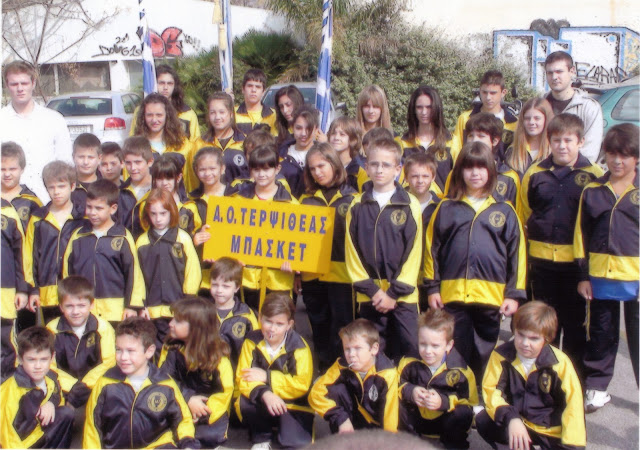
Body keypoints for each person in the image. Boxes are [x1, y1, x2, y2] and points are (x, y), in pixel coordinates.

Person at [425, 141, 526, 380]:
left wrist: (513, 294)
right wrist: (432, 288)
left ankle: (482, 392)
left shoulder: (505, 209)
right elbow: (432, 250)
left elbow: (517, 255)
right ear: (459, 171)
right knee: (455, 349)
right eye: (469, 167)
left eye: (481, 167)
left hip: (490, 296)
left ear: (491, 171)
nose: (475, 173)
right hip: (452, 295)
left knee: (485, 350)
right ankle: (457, 392)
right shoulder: (446, 207)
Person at [518, 113, 603, 379]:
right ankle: (543, 379)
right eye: (556, 140)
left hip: (576, 267)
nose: (562, 146)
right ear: (549, 141)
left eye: (568, 140)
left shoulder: (594, 175)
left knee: (576, 328)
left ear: (580, 141)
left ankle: (573, 382)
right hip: (541, 264)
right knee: (544, 326)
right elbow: (524, 213)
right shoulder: (535, 173)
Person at [574, 123, 640, 411]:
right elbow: (580, 235)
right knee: (601, 332)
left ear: (636, 157)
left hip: (635, 278)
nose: (617, 161)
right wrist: (583, 276)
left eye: (624, 155)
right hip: (600, 276)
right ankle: (597, 387)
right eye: (612, 154)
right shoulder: (593, 190)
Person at [345, 137, 422, 361]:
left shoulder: (410, 204)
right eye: (374, 164)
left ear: (398, 169)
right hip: (370, 296)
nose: (379, 170)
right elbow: (352, 253)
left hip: (403, 297)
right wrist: (373, 291)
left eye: (386, 165)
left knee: (410, 350)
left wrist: (393, 293)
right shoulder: (356, 205)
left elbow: (414, 253)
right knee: (372, 353)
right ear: (366, 167)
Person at [476, 301, 586, 450]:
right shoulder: (501, 355)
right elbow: (491, 391)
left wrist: (572, 445)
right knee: (484, 420)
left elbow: (573, 404)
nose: (525, 343)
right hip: (519, 423)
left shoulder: (560, 363)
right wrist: (511, 418)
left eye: (534, 338)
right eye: (520, 335)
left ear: (546, 338)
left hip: (551, 431)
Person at [84, 317, 199, 449]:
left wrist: (188, 444)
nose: (123, 357)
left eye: (130, 351)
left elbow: (182, 420)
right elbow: (92, 427)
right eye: (118, 349)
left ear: (149, 351)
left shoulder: (165, 384)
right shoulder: (105, 384)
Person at [300, 143, 357, 371]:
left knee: (343, 328)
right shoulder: (305, 200)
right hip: (312, 275)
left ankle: (343, 373)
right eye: (312, 168)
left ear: (334, 164)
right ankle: (324, 373)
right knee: (319, 327)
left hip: (343, 276)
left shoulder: (353, 198)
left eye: (321, 166)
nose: (317, 172)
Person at [235, 292, 314, 449]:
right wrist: (265, 393)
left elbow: (302, 384)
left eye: (279, 324)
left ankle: (284, 427)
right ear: (260, 318)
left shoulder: (299, 347)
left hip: (291, 402)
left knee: (295, 443)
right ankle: (262, 437)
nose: (272, 328)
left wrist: (267, 377)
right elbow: (242, 377)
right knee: (245, 402)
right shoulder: (251, 341)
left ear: (289, 325)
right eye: (268, 321)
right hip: (263, 399)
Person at [63, 179, 145, 324]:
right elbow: (67, 272)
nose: (92, 212)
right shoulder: (78, 236)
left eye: (99, 208)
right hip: (83, 310)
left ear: (113, 209)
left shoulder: (122, 237)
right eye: (89, 207)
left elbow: (134, 273)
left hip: (115, 312)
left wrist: (131, 306)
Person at [158, 297, 234, 449]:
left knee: (210, 436)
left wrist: (201, 413)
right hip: (179, 402)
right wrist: (188, 399)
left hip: (205, 409)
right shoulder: (171, 348)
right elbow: (163, 380)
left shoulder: (218, 358)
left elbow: (224, 394)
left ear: (196, 328)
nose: (170, 324)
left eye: (177, 321)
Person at [398, 309, 477, 449]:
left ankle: (453, 445)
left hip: (444, 423)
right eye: (423, 344)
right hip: (417, 420)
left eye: (435, 346)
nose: (428, 351)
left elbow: (469, 403)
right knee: (395, 402)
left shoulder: (461, 370)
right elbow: (396, 384)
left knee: (463, 413)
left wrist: (444, 402)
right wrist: (411, 391)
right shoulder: (408, 361)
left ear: (449, 345)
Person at [234, 146, 297, 312]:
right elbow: (229, 235)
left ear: (277, 169)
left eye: (267, 169)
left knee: (277, 321)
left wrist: (296, 263)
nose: (261, 174)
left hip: (279, 280)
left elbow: (300, 243)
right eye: (256, 169)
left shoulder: (292, 205)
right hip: (246, 278)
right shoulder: (238, 201)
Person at [136, 188, 201, 350]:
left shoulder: (183, 238)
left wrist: (187, 302)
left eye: (163, 213)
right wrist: (140, 305)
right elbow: (137, 277)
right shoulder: (142, 242)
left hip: (177, 309)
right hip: (151, 311)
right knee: (154, 350)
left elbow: (193, 271)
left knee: (176, 349)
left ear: (172, 212)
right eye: (153, 214)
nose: (158, 219)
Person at [309, 318, 399, 433]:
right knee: (336, 390)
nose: (351, 354)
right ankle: (345, 434)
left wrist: (387, 439)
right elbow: (315, 393)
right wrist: (341, 419)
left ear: (374, 349)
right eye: (347, 349)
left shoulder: (387, 374)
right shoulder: (342, 366)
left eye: (357, 348)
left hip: (379, 427)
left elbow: (390, 415)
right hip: (354, 421)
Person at [25, 161, 87, 324]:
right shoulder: (38, 219)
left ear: (72, 186)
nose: (56, 192)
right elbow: (29, 258)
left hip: (77, 294)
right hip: (47, 294)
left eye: (61, 186)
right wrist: (33, 290)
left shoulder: (83, 218)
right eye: (51, 187)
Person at [0, 61, 71, 201]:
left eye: (24, 83)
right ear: (7, 86)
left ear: (33, 83)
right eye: (14, 84)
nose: (20, 88)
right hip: (8, 204)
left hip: (47, 200)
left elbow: (65, 163)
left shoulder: (54, 119)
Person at [46, 275, 115, 408]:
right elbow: (49, 365)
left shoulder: (103, 328)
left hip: (93, 386)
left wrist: (84, 385)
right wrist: (72, 386)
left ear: (91, 305)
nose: (75, 311)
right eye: (69, 306)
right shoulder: (51, 329)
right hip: (64, 388)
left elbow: (108, 362)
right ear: (61, 307)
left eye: (81, 305)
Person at [0, 326, 75, 449]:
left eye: (44, 359)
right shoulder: (13, 389)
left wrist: (50, 403)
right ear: (20, 359)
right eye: (31, 360)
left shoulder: (50, 377)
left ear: (52, 357)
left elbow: (56, 394)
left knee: (66, 414)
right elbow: (6, 433)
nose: (38, 366)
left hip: (36, 433)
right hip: (18, 443)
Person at [190, 146, 238, 292]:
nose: (207, 173)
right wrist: (195, 238)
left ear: (222, 169)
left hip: (232, 272)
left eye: (212, 168)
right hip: (204, 274)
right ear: (196, 171)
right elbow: (183, 234)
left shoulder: (236, 196)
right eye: (202, 169)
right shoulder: (191, 201)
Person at [399, 86, 462, 195]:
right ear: (413, 110)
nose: (424, 112)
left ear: (437, 108)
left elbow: (460, 177)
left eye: (429, 107)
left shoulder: (452, 141)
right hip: (411, 203)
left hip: (442, 203)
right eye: (419, 107)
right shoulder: (402, 143)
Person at [544, 51, 604, 162]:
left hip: (575, 171)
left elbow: (590, 152)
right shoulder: (539, 106)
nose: (554, 77)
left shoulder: (589, 108)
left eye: (559, 72)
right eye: (550, 73)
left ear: (572, 72)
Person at [132, 93, 194, 192]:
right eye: (149, 115)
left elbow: (190, 182)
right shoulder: (135, 147)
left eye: (159, 115)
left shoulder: (183, 145)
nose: (154, 120)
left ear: (167, 116)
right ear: (143, 117)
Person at [452, 70, 518, 160]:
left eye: (493, 93)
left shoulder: (514, 123)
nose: (488, 97)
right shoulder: (465, 118)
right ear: (479, 91)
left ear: (503, 93)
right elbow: (456, 152)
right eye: (484, 92)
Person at [403, 152, 440, 310]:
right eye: (414, 176)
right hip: (404, 277)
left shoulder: (441, 206)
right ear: (406, 177)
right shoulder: (398, 204)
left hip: (431, 277)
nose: (420, 181)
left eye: (425, 176)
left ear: (433, 177)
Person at [209, 257, 259, 370]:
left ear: (236, 287)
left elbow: (255, 348)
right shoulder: (203, 312)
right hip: (206, 376)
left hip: (237, 374)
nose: (219, 290)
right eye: (215, 285)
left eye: (225, 286)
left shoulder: (246, 315)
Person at [462, 113, 521, 208]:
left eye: (481, 136)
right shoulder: (458, 172)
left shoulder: (509, 177)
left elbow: (515, 213)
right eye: (470, 136)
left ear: (494, 141)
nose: (474, 140)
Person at [1, 193, 30, 379]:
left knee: (5, 343)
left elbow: (21, 253)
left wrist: (22, 289)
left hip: (4, 293)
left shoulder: (7, 211)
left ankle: (4, 386)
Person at [130, 64, 201, 142]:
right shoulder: (141, 111)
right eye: (161, 83)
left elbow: (195, 144)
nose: (165, 87)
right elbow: (133, 140)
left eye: (169, 83)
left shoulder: (188, 113)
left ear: (175, 86)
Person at [193, 92, 247, 185]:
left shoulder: (245, 142)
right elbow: (192, 180)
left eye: (222, 112)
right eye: (212, 113)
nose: (217, 117)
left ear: (231, 114)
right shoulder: (199, 143)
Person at [504, 98, 554, 179]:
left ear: (546, 120)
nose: (531, 122)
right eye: (527, 118)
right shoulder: (512, 151)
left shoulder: (554, 152)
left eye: (537, 118)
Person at [280, 105, 320, 198]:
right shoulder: (280, 154)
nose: (303, 133)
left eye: (308, 129)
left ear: (316, 130)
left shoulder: (325, 155)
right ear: (292, 128)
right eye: (299, 128)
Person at [118, 136, 154, 239]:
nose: (133, 168)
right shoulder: (120, 193)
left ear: (150, 161)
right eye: (128, 163)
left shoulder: (159, 189)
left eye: (138, 162)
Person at [1, 141, 42, 232]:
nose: (7, 174)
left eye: (12, 169)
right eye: (2, 169)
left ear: (22, 169)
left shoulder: (32, 201)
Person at [328, 116, 368, 193]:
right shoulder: (324, 166)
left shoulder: (359, 169)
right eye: (333, 133)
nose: (336, 137)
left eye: (342, 134)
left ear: (353, 139)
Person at [235, 69, 277, 136]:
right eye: (250, 86)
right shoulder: (232, 114)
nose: (253, 90)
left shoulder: (273, 115)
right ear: (243, 89)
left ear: (263, 91)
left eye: (258, 87)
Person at [70, 133, 101, 212]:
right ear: (73, 157)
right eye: (81, 157)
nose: (86, 162)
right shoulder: (67, 187)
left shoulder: (107, 187)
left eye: (90, 157)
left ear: (99, 158)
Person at [274, 85, 305, 153]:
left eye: (288, 105)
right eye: (281, 107)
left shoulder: (311, 130)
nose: (285, 110)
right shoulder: (276, 130)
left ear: (297, 103)